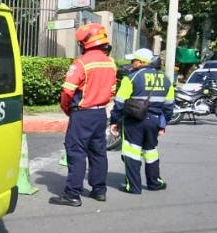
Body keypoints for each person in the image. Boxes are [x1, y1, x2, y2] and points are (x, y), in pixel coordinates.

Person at [49, 23, 118, 207]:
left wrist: (67, 109)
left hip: (82, 115)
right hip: (100, 114)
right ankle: (99, 190)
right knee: (98, 152)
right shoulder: (110, 63)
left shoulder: (81, 63)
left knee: (76, 152)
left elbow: (67, 91)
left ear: (85, 43)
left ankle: (72, 194)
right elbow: (112, 90)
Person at [109, 48, 174, 193]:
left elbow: (119, 102)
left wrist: (114, 121)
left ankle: (133, 186)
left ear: (141, 62)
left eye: (134, 61)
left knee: (132, 152)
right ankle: (154, 183)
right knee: (151, 151)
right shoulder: (165, 79)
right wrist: (163, 124)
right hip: (154, 121)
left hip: (134, 120)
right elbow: (169, 105)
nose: (132, 63)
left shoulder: (131, 78)